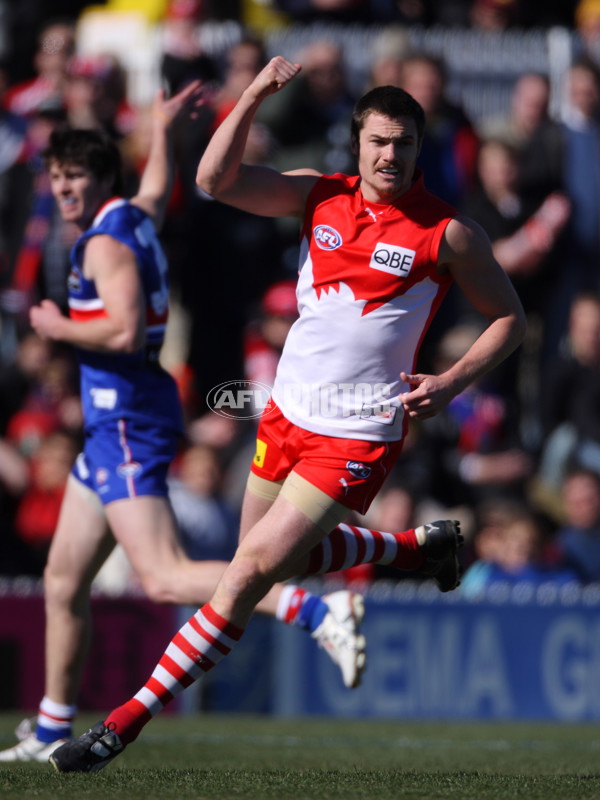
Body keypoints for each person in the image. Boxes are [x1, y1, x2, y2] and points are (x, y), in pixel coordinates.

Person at [48, 56, 526, 773]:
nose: (389, 154)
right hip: (285, 416)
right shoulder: (319, 197)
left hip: (358, 431)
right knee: (272, 566)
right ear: (356, 143)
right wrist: (253, 96)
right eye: (378, 141)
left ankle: (121, 724)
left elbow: (509, 319)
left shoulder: (448, 233)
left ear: (419, 149)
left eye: (403, 143)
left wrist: (452, 381)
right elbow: (212, 181)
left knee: (244, 575)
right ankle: (412, 549)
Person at [0, 79, 371, 765]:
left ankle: (310, 608)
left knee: (165, 577)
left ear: (100, 179)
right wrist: (163, 130)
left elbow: (122, 328)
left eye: (75, 177)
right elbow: (153, 191)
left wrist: (59, 323)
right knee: (61, 580)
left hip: (126, 422)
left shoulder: (98, 248)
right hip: (119, 421)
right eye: (56, 178)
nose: (63, 190)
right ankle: (51, 727)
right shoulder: (131, 217)